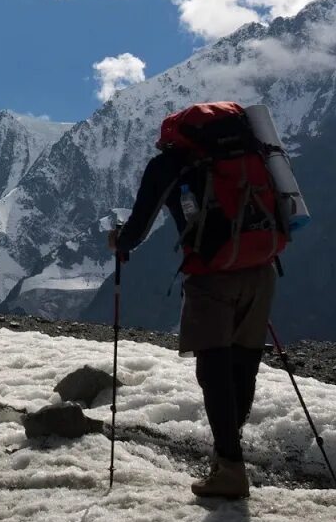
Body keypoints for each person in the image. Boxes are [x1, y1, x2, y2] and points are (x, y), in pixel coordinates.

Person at [107, 107, 280, 500]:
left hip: (213, 275)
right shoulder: (250, 154)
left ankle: (230, 468)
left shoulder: (170, 164)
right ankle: (228, 454)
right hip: (262, 268)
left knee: (214, 368)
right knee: (244, 362)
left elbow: (139, 223)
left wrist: (120, 242)